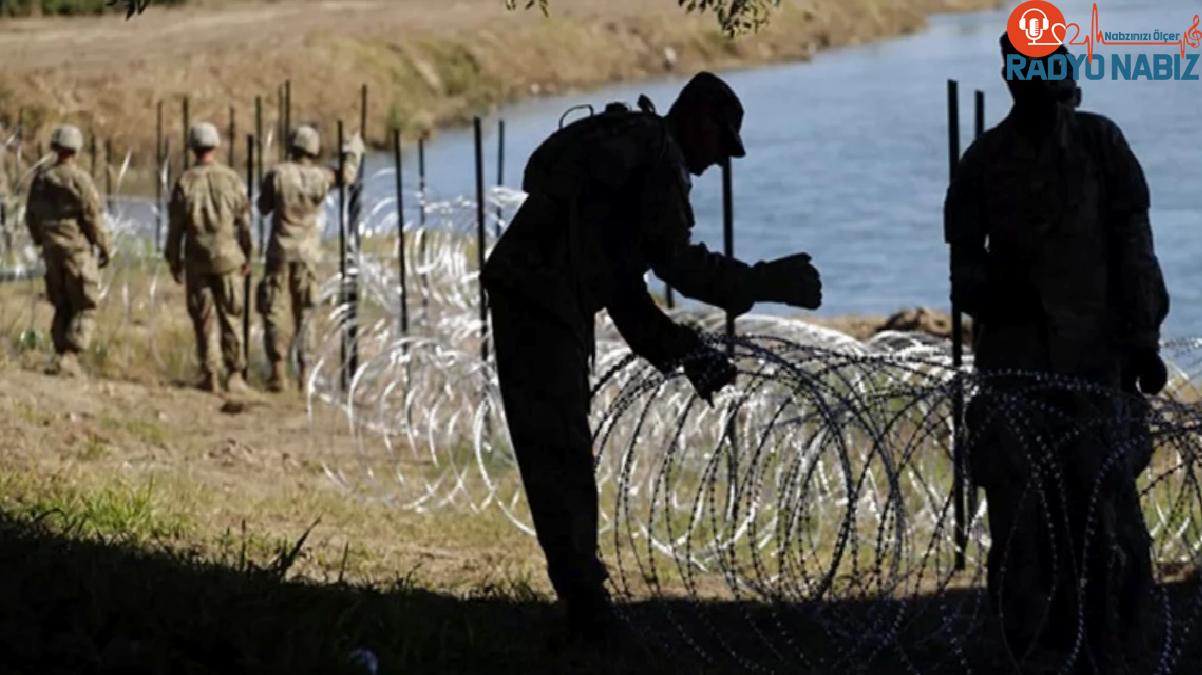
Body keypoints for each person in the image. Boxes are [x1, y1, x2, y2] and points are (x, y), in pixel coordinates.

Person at [483, 71, 823, 638]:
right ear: (698, 120)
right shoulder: (659, 158)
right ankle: (587, 609)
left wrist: (686, 352)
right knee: (559, 451)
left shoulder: (637, 153)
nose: (719, 162)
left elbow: (622, 287)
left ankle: (583, 599)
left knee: (560, 449)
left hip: (539, 297)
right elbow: (677, 266)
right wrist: (764, 281)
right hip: (541, 302)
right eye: (722, 143)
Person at [945, 36, 1169, 672]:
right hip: (1018, 376)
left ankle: (1118, 650)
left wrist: (1143, 340)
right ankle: (1037, 653)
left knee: (1111, 527)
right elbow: (964, 273)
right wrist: (999, 290)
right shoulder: (984, 162)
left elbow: (1136, 250)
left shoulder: (1102, 147)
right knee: (1025, 537)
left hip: (1097, 372)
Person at [256, 125, 363, 392]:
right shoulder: (321, 178)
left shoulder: (279, 174)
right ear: (314, 150)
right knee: (305, 312)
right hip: (308, 254)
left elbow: (263, 207)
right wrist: (352, 150)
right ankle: (305, 374)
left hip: (279, 250)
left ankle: (278, 371)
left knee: (274, 310)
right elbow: (347, 177)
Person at [165, 122, 253, 394]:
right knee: (232, 317)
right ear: (215, 146)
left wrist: (173, 260)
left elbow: (175, 228)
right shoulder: (231, 179)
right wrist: (249, 254)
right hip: (228, 259)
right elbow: (244, 224)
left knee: (203, 319)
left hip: (197, 260)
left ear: (192, 148)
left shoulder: (185, 181)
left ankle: (210, 373)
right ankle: (235, 374)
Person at [23, 124, 111, 377]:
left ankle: (60, 355)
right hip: (76, 251)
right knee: (85, 304)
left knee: (62, 304)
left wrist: (40, 240)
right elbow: (92, 217)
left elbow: (31, 215)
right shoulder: (80, 180)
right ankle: (71, 356)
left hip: (51, 250)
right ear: (77, 149)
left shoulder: (41, 179)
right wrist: (104, 247)